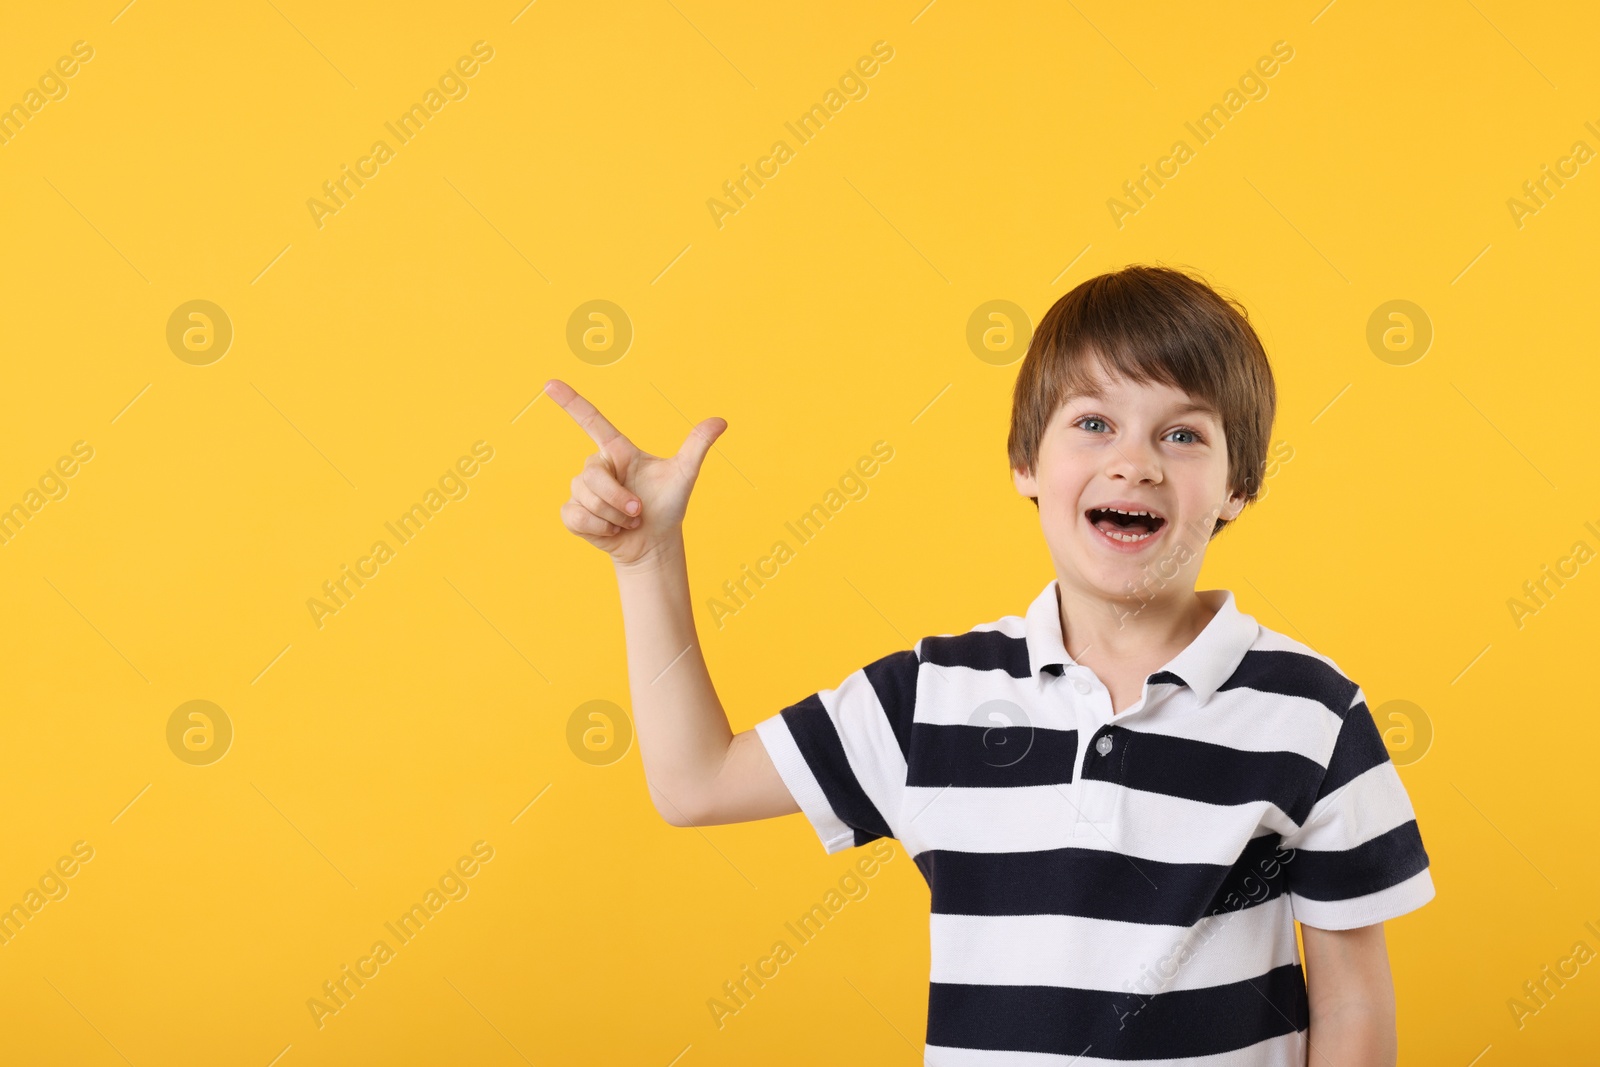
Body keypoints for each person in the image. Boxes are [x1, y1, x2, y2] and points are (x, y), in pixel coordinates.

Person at [548, 264, 1434, 1066]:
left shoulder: (1313, 713)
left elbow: (1353, 995)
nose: (1135, 462)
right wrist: (646, 561)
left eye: (1183, 436)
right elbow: (694, 782)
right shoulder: (933, 699)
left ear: (1240, 484)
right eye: (1094, 423)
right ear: (1025, 463)